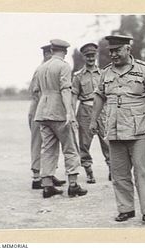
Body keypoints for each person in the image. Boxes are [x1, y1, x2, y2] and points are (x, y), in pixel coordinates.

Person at [90, 35, 145, 223]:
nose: (113, 54)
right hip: (114, 128)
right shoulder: (106, 72)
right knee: (119, 172)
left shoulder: (143, 69)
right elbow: (99, 96)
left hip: (139, 129)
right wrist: (93, 120)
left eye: (117, 50)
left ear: (128, 50)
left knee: (142, 172)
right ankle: (126, 209)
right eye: (111, 51)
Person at [34, 39, 87, 199]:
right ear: (64, 51)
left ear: (51, 50)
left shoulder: (41, 67)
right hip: (59, 113)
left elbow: (36, 91)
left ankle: (47, 186)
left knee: (48, 149)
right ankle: (73, 185)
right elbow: (65, 90)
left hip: (42, 112)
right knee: (70, 148)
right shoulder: (63, 66)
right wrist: (69, 112)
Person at [28, 44, 66, 190]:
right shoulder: (41, 69)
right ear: (46, 54)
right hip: (39, 108)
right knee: (39, 142)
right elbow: (35, 92)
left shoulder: (48, 69)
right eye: (51, 54)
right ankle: (37, 177)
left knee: (50, 143)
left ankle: (48, 174)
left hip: (45, 109)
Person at [72, 43, 111, 184]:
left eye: (93, 55)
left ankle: (112, 169)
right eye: (88, 56)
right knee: (84, 143)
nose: (90, 58)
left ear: (96, 56)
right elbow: (74, 95)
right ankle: (88, 171)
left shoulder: (104, 73)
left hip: (102, 110)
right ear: (84, 57)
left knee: (107, 140)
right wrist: (72, 114)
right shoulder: (78, 76)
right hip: (85, 110)